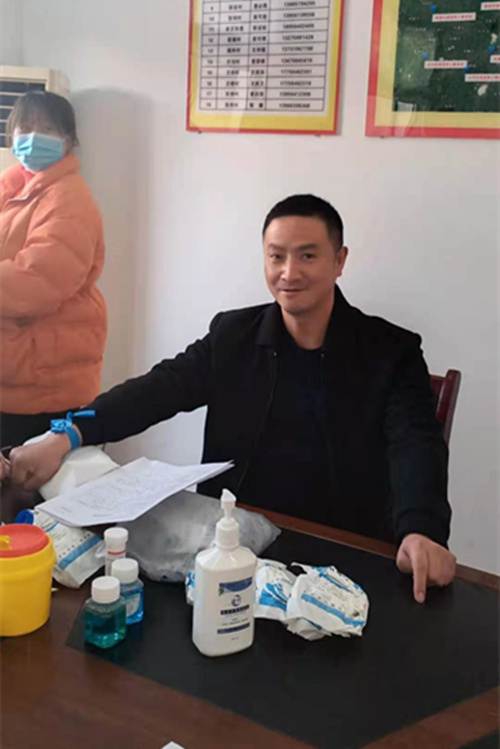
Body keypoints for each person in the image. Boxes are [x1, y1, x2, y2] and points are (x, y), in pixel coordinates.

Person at [5, 195, 456, 602]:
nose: (289, 273)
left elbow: (416, 444)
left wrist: (422, 529)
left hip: (341, 555)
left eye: (308, 256)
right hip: (230, 548)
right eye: (276, 256)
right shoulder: (234, 336)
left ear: (339, 261)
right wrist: (67, 434)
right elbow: (156, 390)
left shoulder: (390, 352)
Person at [0, 91, 107, 449]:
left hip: (43, 389)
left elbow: (36, 281)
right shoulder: (13, 187)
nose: (34, 137)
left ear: (68, 140)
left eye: (47, 129)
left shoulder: (68, 199)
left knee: (31, 481)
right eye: (25, 127)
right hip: (15, 379)